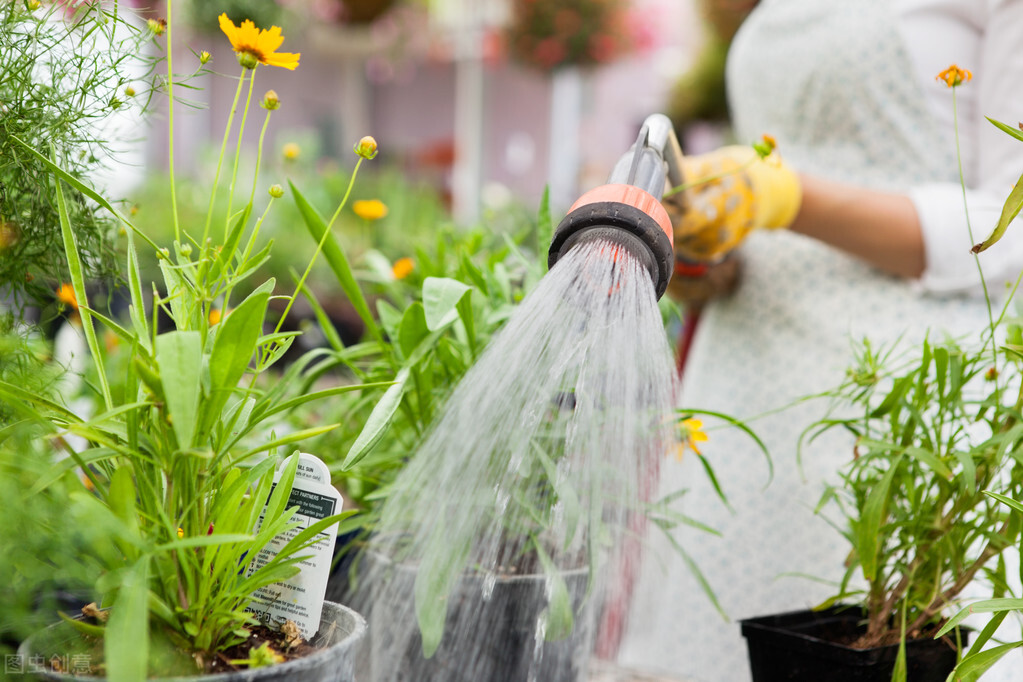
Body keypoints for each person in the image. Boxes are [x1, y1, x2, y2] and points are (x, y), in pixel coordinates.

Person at [614, 1, 1023, 681]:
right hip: (745, 395)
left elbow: (1009, 222)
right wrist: (703, 254)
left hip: (898, 410)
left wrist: (789, 199)